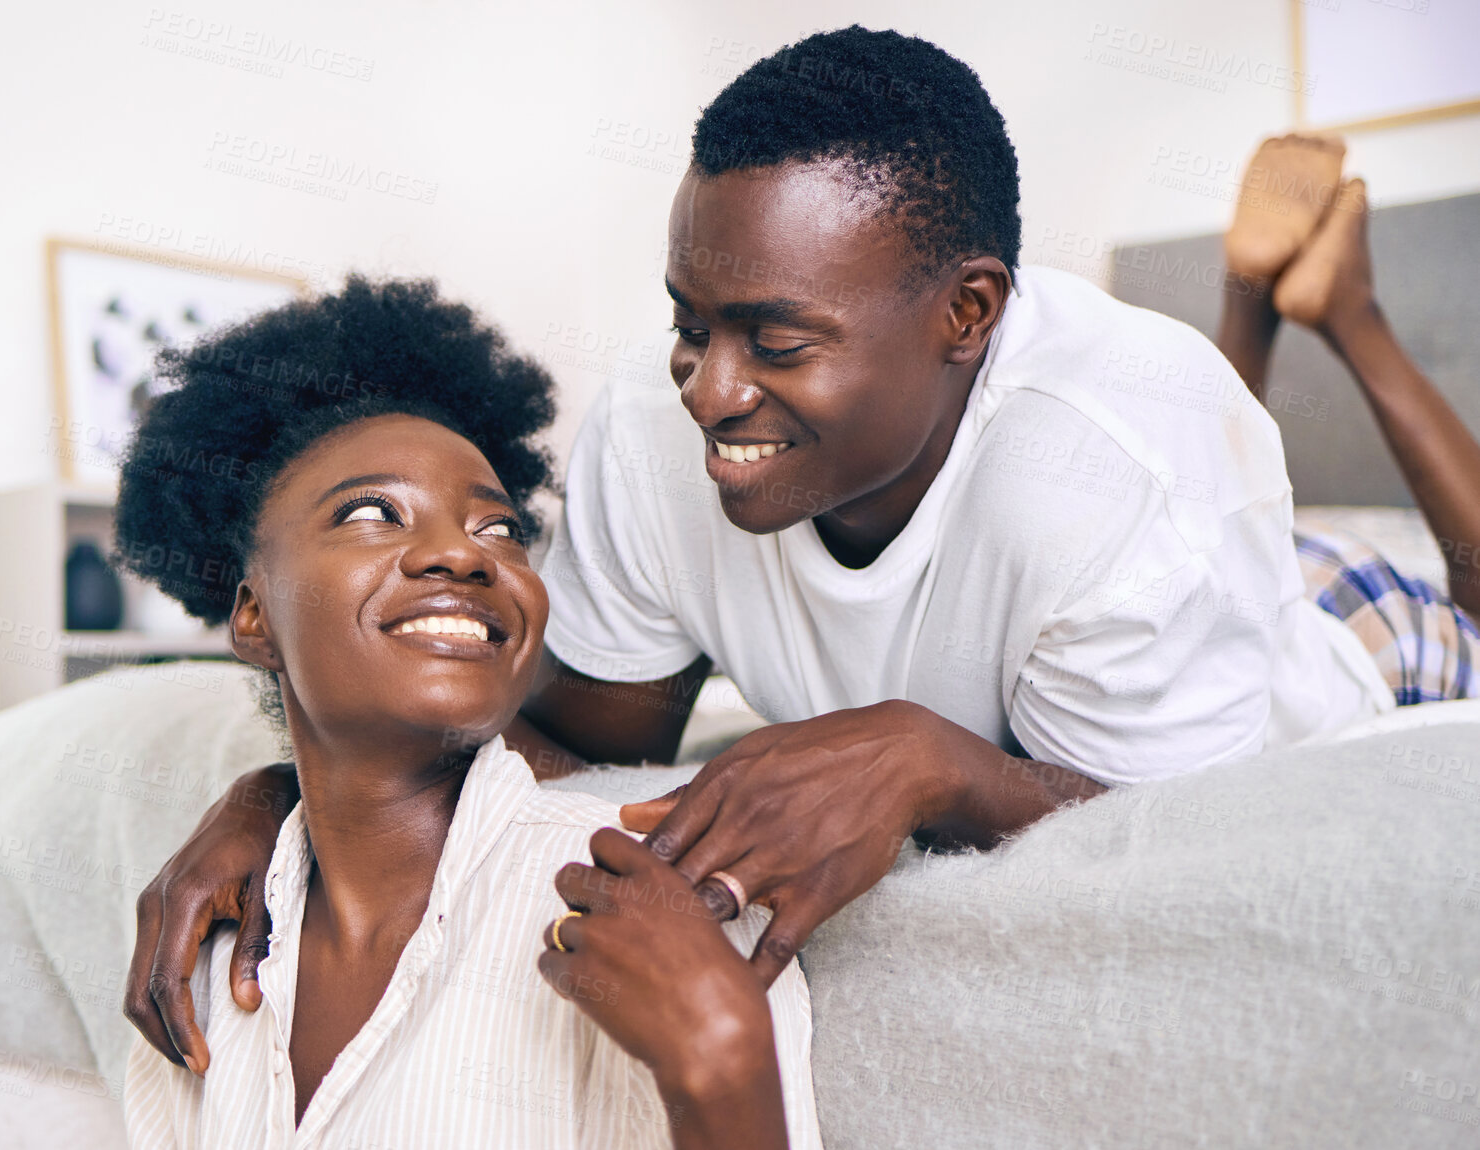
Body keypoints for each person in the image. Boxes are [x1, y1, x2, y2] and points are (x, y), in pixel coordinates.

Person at [122, 27, 1474, 1070]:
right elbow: (585, 738)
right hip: (1134, 574)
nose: (708, 389)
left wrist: (927, 754)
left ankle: (1334, 311)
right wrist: (293, 789)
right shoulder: (660, 434)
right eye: (687, 323)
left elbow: (1166, 859)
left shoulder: (1129, 466)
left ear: (967, 313)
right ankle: (1262, 302)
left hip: (1338, 641)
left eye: (774, 340)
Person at [115, 278, 819, 1149]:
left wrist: (722, 1067)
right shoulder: (206, 965)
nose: (460, 552)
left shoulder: (647, 909)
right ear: (254, 615)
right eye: (372, 512)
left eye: (501, 531)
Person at [1218, 134, 1480, 699]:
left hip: (1257, 584)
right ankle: (1354, 315)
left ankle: (1248, 305)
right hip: (1383, 631)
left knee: (1205, 532)